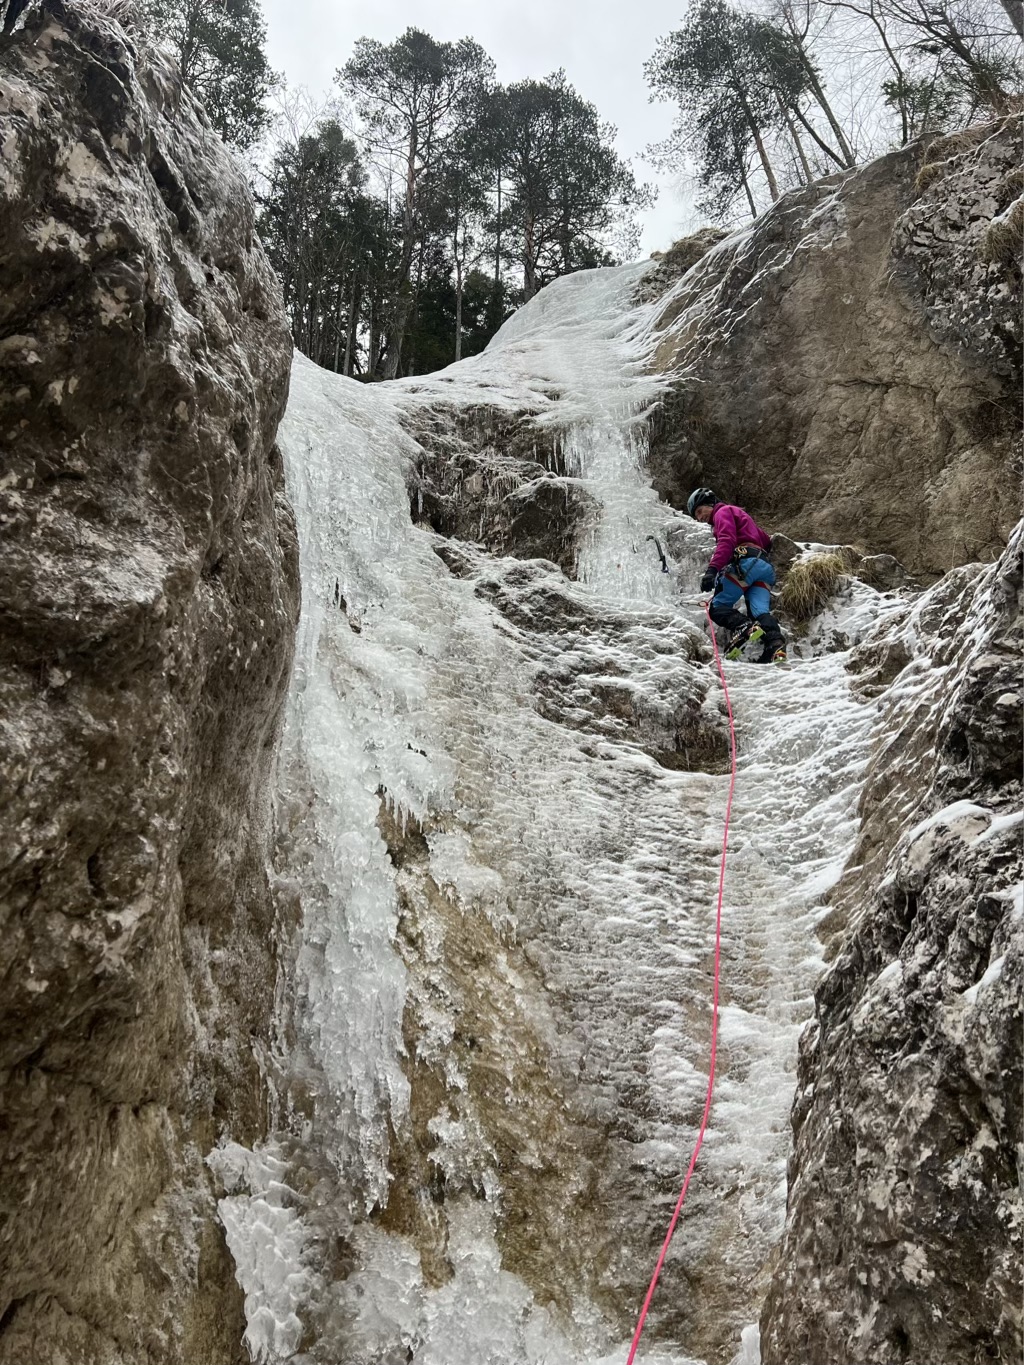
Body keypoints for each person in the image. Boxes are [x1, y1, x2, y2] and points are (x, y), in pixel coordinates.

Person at [686, 487, 786, 663]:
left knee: (717, 607)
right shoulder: (743, 517)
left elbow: (727, 540)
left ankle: (744, 627)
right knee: (759, 612)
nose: (700, 518)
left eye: (700, 511)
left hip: (746, 565)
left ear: (710, 503)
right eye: (696, 516)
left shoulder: (722, 512)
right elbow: (766, 541)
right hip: (764, 569)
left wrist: (712, 570)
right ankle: (775, 646)